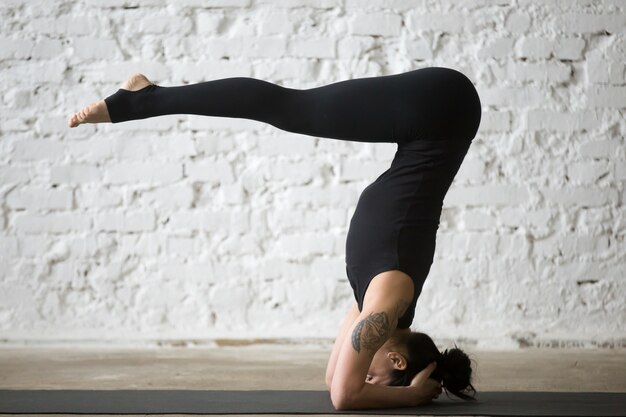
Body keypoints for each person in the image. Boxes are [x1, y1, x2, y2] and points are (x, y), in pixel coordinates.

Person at [68, 67, 481, 410]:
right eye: (377, 376)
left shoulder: (371, 311)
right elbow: (346, 395)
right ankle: (143, 98)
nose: (367, 378)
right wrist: (410, 397)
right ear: (395, 358)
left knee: (291, 109)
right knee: (289, 108)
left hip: (435, 124)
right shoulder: (389, 299)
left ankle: (145, 99)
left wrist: (408, 385)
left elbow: (334, 380)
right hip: (443, 109)